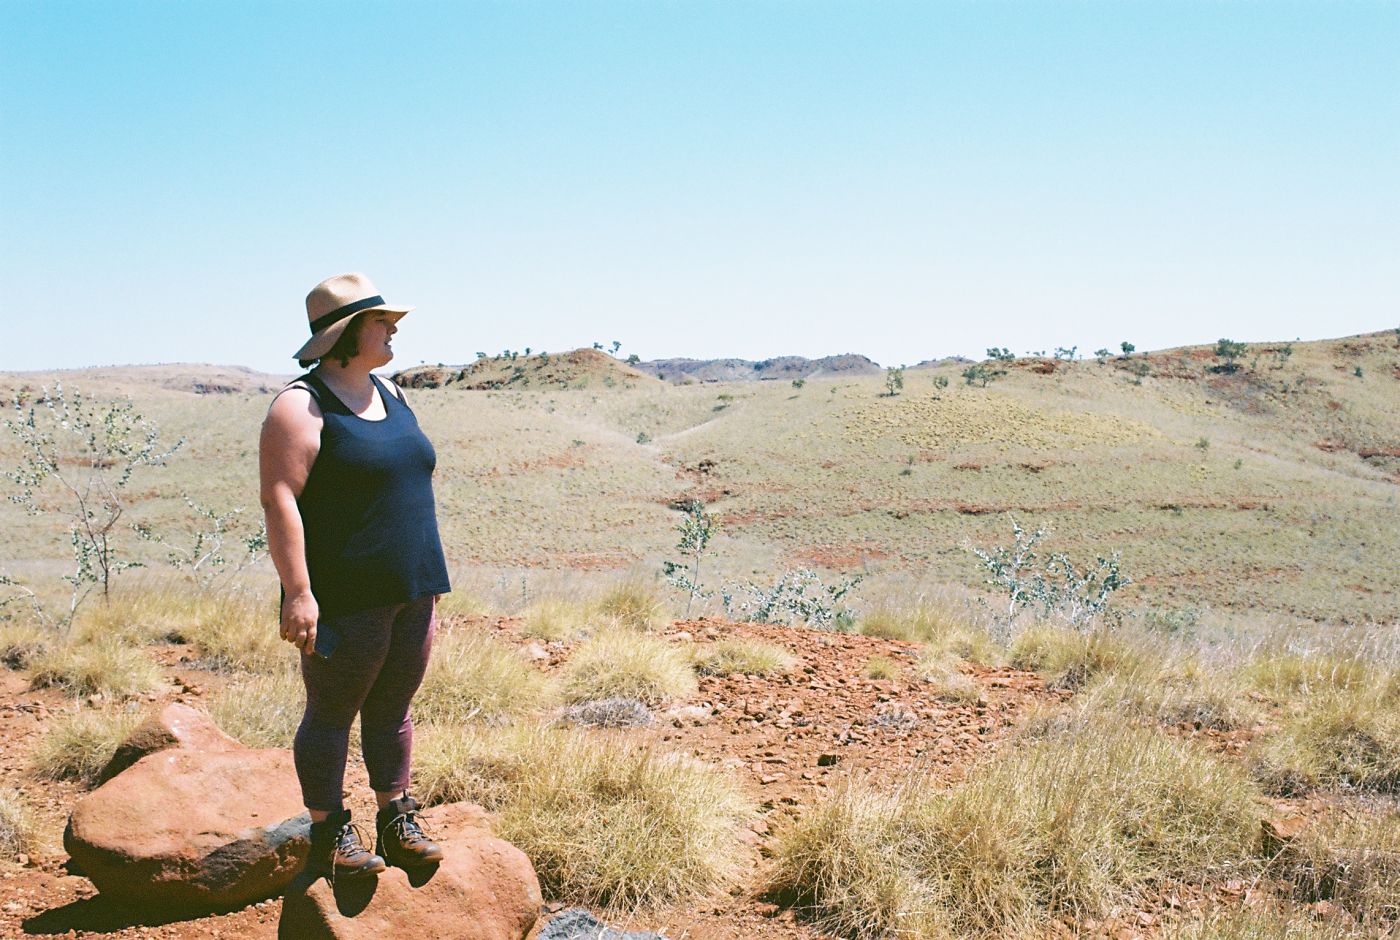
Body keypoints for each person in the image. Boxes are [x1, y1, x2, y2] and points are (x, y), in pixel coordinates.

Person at [259, 272, 452, 881]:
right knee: (332, 711)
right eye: (381, 321)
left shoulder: (390, 392)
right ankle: (329, 832)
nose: (393, 329)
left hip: (413, 584)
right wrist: (298, 592)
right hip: (344, 595)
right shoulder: (300, 405)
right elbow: (280, 499)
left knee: (393, 706)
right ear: (345, 333)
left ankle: (396, 818)